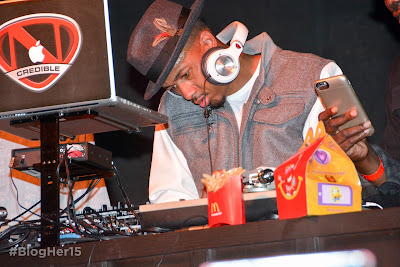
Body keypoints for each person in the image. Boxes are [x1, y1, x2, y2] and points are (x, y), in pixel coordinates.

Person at [127, 0, 394, 204]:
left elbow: (343, 189)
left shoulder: (310, 78)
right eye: (173, 85)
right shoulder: (172, 109)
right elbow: (170, 203)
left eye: (185, 74)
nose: (185, 93)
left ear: (208, 42)